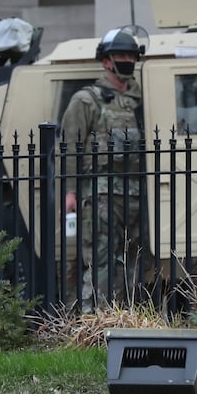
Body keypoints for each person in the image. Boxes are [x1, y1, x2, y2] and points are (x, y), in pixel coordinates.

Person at [59, 27, 146, 313]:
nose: (127, 60)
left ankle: (126, 319)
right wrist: (70, 192)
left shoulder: (143, 100)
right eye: (120, 55)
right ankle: (94, 321)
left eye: (131, 55)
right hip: (101, 193)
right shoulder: (87, 100)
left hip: (136, 193)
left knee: (133, 261)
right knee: (101, 260)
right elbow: (70, 147)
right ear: (106, 61)